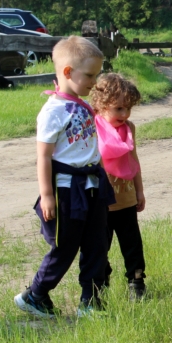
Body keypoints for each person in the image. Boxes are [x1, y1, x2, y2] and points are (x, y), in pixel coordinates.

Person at [15, 36, 114, 319]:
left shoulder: (81, 104)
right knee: (65, 246)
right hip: (66, 191)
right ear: (68, 72)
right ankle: (35, 295)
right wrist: (46, 195)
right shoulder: (53, 111)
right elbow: (44, 156)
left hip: (92, 185)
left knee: (97, 245)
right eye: (90, 75)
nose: (94, 82)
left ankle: (91, 302)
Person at [91, 73, 148, 300]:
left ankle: (136, 282)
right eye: (119, 109)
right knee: (99, 247)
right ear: (101, 104)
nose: (125, 114)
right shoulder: (92, 127)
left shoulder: (129, 128)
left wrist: (140, 191)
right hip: (101, 202)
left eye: (129, 109)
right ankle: (100, 284)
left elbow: (134, 161)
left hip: (126, 199)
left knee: (132, 245)